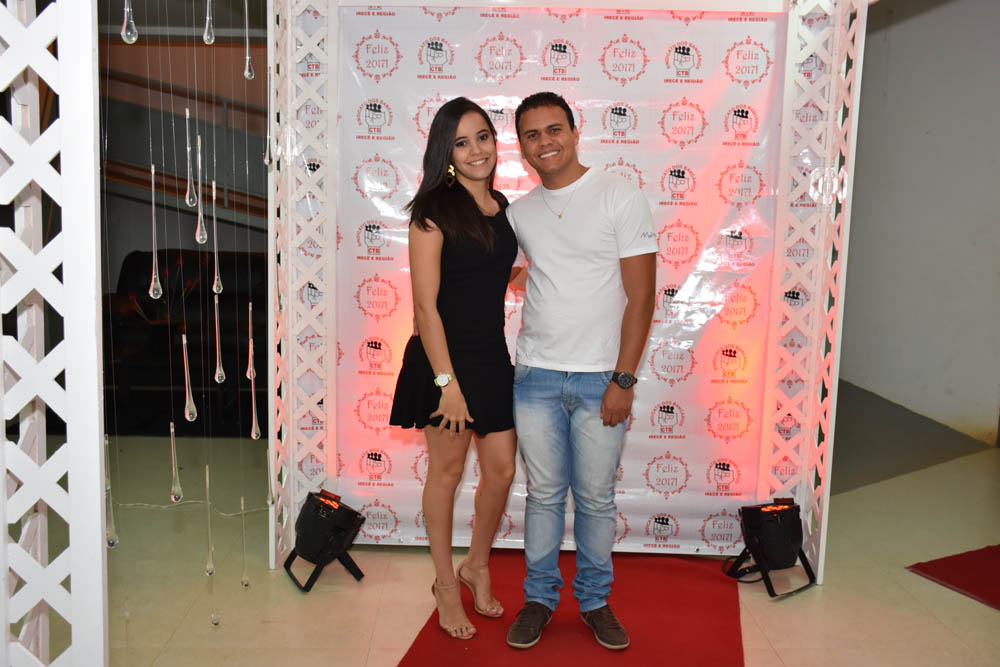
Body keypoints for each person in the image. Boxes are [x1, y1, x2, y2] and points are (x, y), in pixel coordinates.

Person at [504, 92, 657, 651]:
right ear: (522, 147)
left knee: (595, 499)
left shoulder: (619, 194)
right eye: (532, 135)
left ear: (574, 131)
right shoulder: (518, 213)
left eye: (554, 130)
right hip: (536, 376)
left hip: (600, 379)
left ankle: (594, 601)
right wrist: (530, 276)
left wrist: (623, 379)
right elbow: (505, 269)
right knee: (543, 495)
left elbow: (642, 297)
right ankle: (539, 600)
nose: (545, 142)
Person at [389, 97, 518, 640]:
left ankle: (476, 565)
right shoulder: (431, 213)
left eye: (483, 137)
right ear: (446, 152)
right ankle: (445, 584)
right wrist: (447, 385)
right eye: (461, 143)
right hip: (443, 361)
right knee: (446, 474)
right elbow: (425, 308)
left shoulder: (501, 205)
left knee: (502, 471)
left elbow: (491, 270)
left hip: (491, 356)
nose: (476, 151)